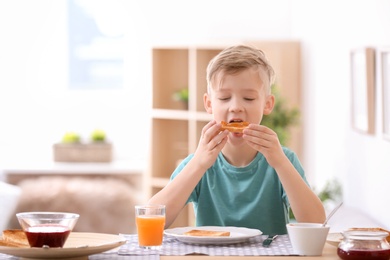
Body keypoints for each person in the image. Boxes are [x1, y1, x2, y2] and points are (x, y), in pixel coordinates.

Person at [148, 45, 325, 235]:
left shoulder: (283, 159)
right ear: (209, 104)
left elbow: (316, 222)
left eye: (248, 98)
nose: (236, 107)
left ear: (267, 104)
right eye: (224, 98)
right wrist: (198, 164)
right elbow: (151, 218)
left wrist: (281, 164)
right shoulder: (198, 163)